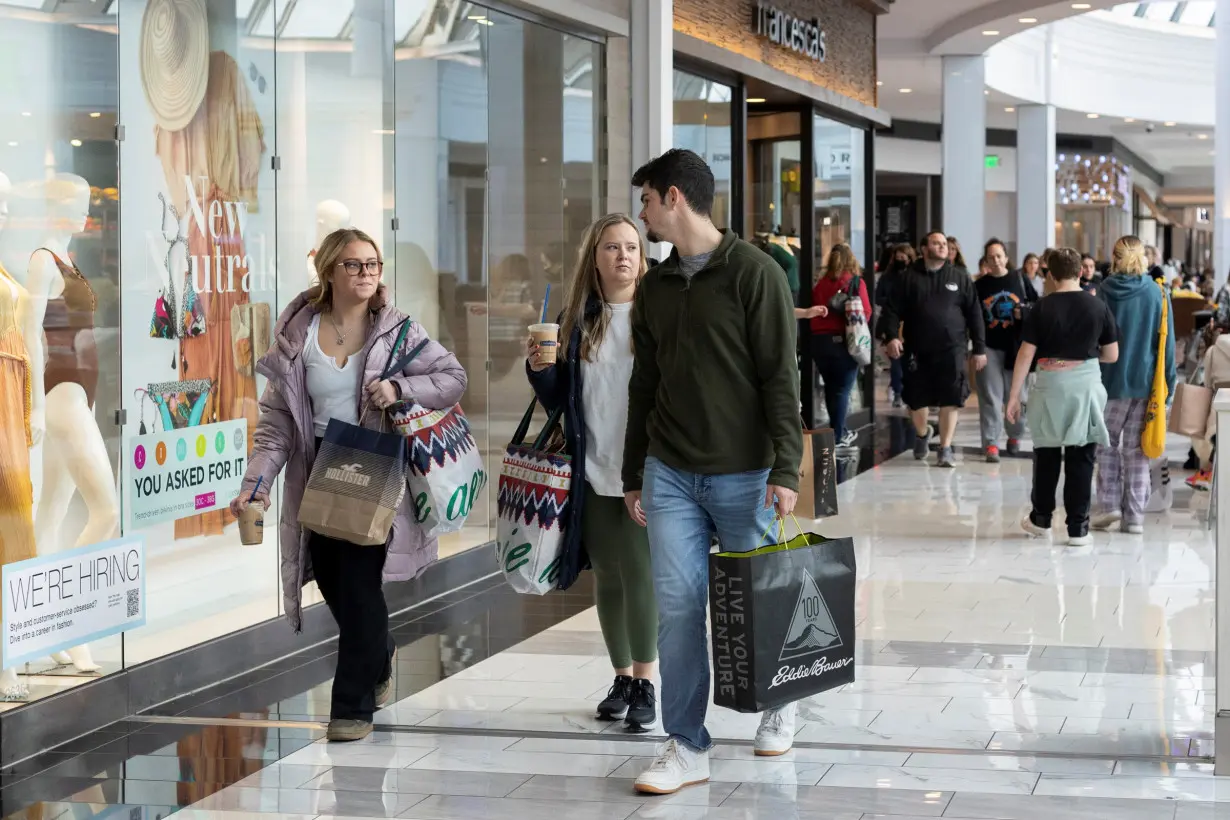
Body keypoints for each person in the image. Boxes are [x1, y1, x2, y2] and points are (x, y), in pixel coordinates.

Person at [231, 228, 466, 742]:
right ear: (330, 271)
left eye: (373, 265)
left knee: (358, 586)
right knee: (336, 584)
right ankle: (378, 654)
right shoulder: (299, 336)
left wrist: (400, 387)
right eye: (355, 265)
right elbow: (277, 423)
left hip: (374, 468)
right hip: (318, 473)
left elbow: (453, 378)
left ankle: (351, 706)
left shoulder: (399, 331)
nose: (366, 274)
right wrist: (257, 485)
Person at [622, 148, 802, 795]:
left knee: (756, 599)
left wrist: (787, 465)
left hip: (744, 473)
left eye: (646, 200)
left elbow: (781, 376)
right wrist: (632, 473)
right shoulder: (657, 287)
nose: (641, 213)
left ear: (674, 197)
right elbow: (645, 383)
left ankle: (782, 701)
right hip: (669, 470)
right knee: (677, 605)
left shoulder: (755, 274)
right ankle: (687, 744)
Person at [525, 213, 659, 731]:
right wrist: (540, 371)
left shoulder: (657, 313)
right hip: (591, 464)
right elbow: (561, 398)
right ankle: (622, 676)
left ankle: (647, 681)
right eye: (611, 247)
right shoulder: (578, 317)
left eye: (631, 246)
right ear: (594, 257)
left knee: (640, 572)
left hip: (645, 467)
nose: (623, 256)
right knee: (607, 576)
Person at [1006, 248, 1119, 546]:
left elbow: (1025, 354)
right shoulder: (1098, 306)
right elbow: (1112, 354)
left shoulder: (1040, 308)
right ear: (1082, 272)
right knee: (1082, 455)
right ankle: (1078, 528)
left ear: (1050, 275)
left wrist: (1013, 397)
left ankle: (1041, 520)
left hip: (1049, 386)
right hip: (1085, 387)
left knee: (1046, 453)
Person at [878, 231, 987, 468]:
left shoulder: (959, 277)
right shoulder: (907, 278)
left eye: (944, 244)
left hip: (953, 349)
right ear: (924, 249)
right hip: (917, 349)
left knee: (952, 397)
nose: (941, 247)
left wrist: (979, 347)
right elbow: (891, 310)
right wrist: (890, 338)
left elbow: (974, 312)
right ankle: (921, 433)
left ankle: (945, 447)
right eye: (936, 244)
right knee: (916, 400)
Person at [1093, 235, 1176, 534]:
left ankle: (1110, 505)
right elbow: (1166, 342)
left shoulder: (1103, 291)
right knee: (1138, 451)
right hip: (1146, 382)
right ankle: (1135, 517)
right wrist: (1169, 382)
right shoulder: (1157, 293)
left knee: (1106, 446)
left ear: (1114, 257)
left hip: (1108, 380)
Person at [973, 238, 1036, 461]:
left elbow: (1036, 308)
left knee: (1017, 394)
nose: (996, 260)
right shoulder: (979, 286)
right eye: (991, 257)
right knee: (990, 396)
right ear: (986, 260)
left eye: (999, 256)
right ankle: (991, 443)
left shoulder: (1020, 280)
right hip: (989, 346)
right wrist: (976, 348)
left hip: (1016, 348)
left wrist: (1024, 313)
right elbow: (974, 317)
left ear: (1007, 258)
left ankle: (1015, 434)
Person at [810, 243, 871, 448]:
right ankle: (839, 435)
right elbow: (866, 312)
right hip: (844, 342)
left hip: (819, 342)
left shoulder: (820, 284)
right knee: (843, 389)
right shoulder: (854, 282)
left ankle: (835, 432)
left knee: (830, 387)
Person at [875, 243, 916, 408]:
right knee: (896, 359)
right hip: (891, 323)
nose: (900, 260)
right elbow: (878, 298)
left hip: (912, 322)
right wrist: (893, 303)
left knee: (910, 360)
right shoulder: (887, 277)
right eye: (897, 257)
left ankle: (908, 389)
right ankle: (898, 391)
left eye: (903, 257)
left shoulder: (915, 276)